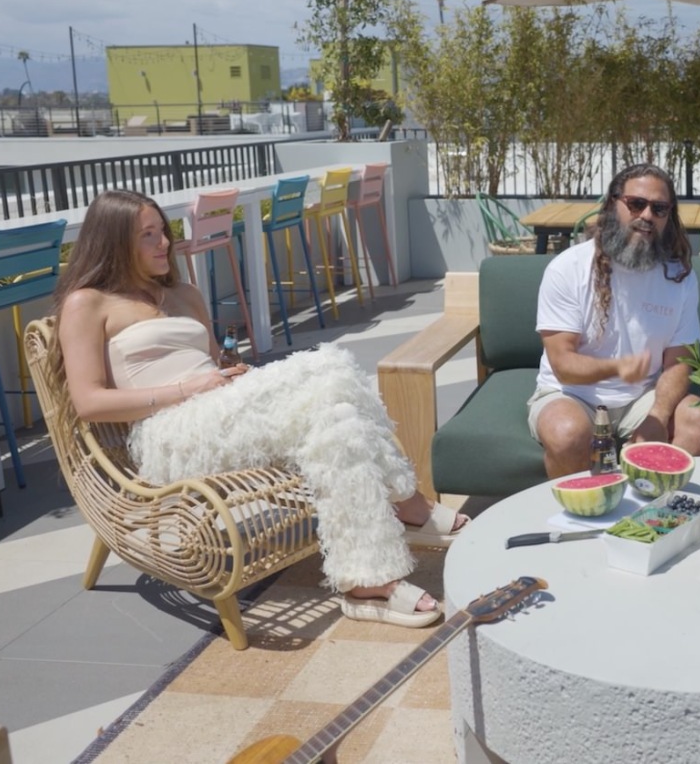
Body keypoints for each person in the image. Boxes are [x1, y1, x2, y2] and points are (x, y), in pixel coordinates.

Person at [53, 189, 467, 629]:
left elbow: (212, 364)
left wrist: (234, 375)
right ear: (114, 241)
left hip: (220, 415)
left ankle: (367, 580)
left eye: (164, 231)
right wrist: (186, 387)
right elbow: (89, 403)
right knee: (330, 368)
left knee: (337, 418)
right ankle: (408, 504)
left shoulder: (183, 293)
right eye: (148, 235)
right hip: (170, 435)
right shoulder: (87, 303)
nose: (164, 243)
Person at [532, 163, 700, 477]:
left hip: (643, 396)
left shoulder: (679, 277)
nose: (647, 215)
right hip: (572, 395)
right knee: (567, 433)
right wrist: (617, 368)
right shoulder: (569, 268)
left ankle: (655, 503)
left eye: (659, 208)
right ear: (612, 204)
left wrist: (658, 416)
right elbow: (563, 364)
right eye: (636, 204)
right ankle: (582, 508)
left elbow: (680, 360)